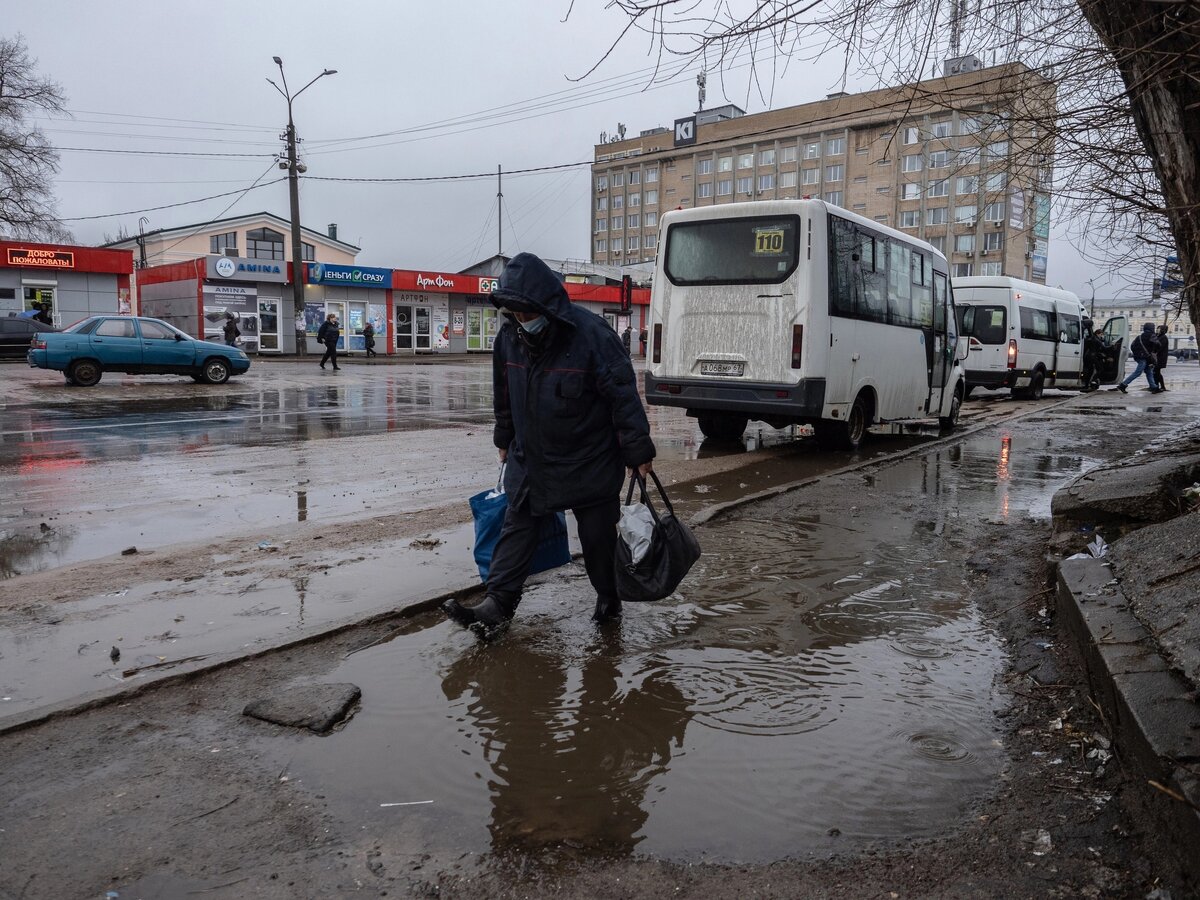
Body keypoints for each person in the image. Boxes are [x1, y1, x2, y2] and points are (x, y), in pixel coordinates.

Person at [442, 252, 656, 635]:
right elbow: (503, 392)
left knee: (597, 540)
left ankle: (609, 600)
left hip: (589, 458)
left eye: (527, 313)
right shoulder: (509, 337)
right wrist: (504, 437)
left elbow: (622, 395)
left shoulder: (592, 336)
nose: (522, 322)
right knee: (517, 527)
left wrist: (637, 450)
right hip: (533, 457)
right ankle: (498, 606)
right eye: (515, 314)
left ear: (546, 306)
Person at [1112, 322, 1162, 393]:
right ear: (1152, 328)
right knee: (1138, 372)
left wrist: (1138, 353)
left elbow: (1132, 345)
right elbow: (1158, 344)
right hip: (1147, 357)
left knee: (1149, 372)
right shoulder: (1152, 335)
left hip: (1139, 357)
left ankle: (1154, 387)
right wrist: (1153, 351)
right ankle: (1123, 385)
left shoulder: (1139, 337)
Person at [1080, 317, 1102, 392]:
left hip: (1087, 357)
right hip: (1092, 357)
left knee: (1090, 371)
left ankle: (1087, 385)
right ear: (1098, 333)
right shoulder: (1095, 339)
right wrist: (1113, 346)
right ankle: (1093, 381)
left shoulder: (1090, 338)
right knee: (1099, 369)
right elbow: (1104, 348)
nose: (1102, 336)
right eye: (1101, 334)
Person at [1154, 324, 1170, 390]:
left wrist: (1154, 351)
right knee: (1156, 372)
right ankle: (1158, 386)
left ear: (1162, 330)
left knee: (1156, 372)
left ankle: (1160, 386)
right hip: (1158, 357)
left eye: (1159, 328)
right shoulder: (1159, 336)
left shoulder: (1163, 337)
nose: (1157, 330)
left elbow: (1159, 347)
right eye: (1157, 328)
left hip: (1160, 358)